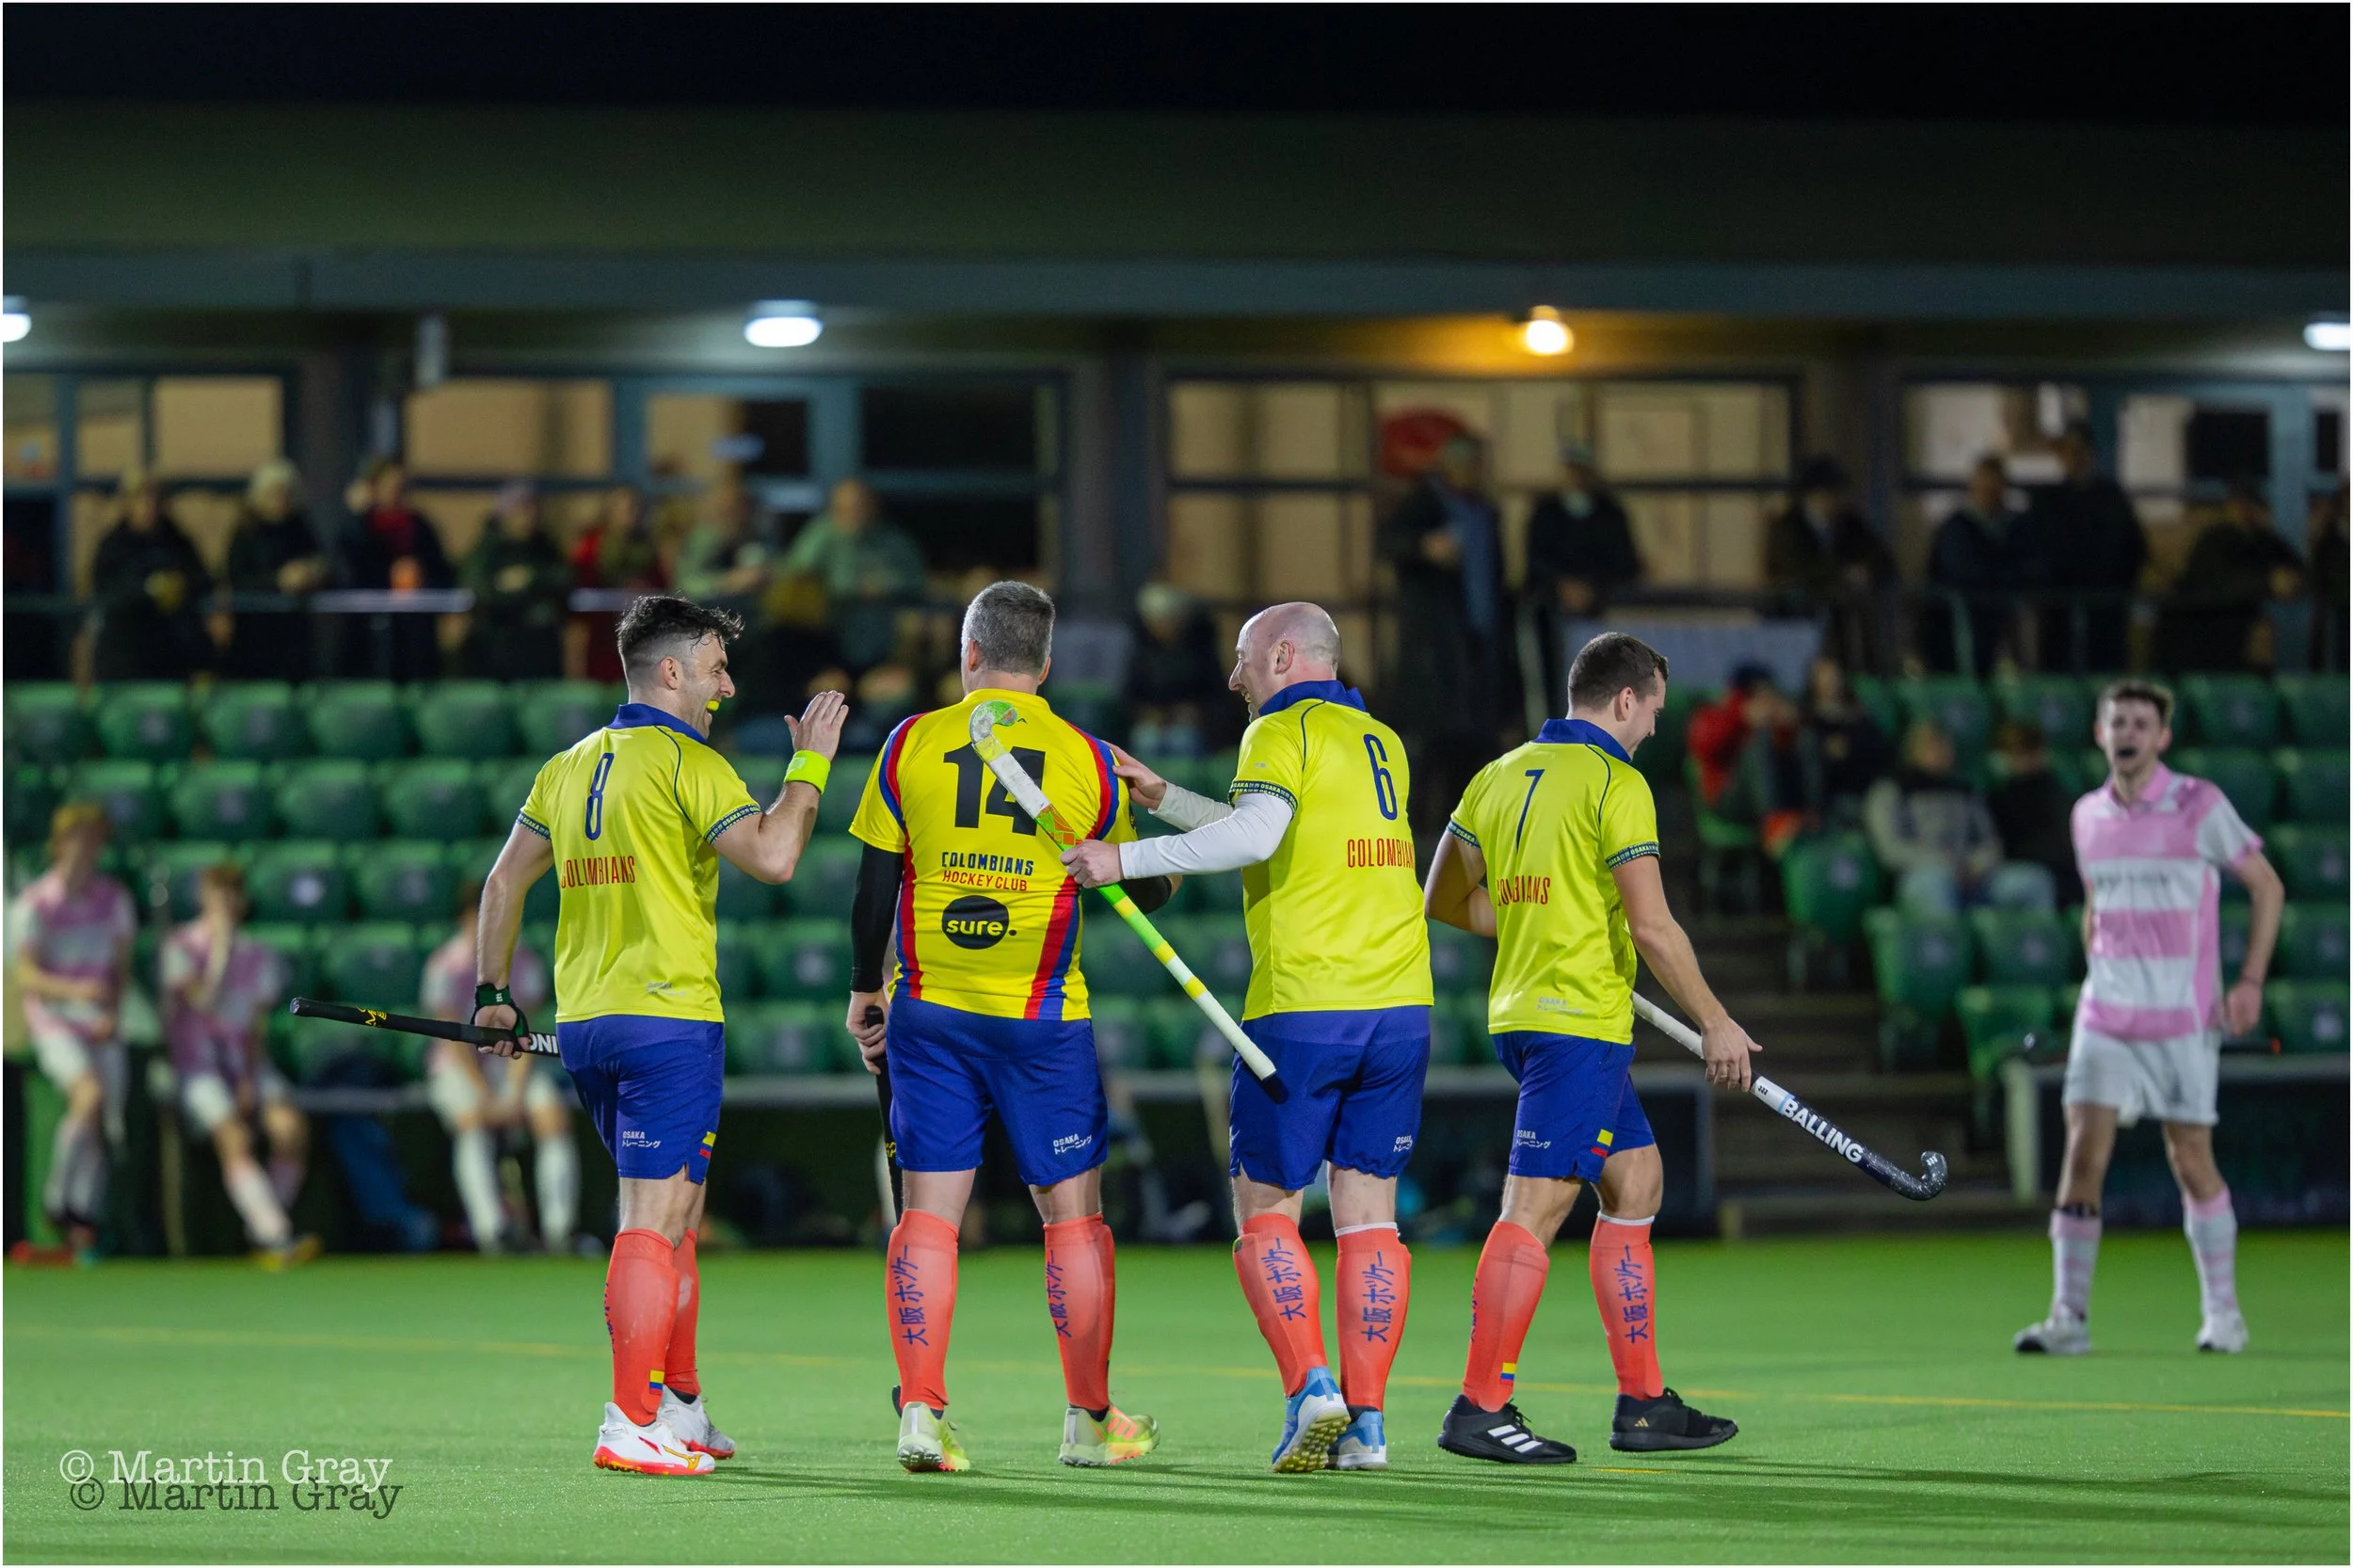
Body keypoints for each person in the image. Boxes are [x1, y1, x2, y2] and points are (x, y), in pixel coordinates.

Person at [472, 593, 848, 1477]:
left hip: (591, 1025)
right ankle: (629, 1419)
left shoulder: (566, 767)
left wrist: (493, 994)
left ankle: (678, 1404)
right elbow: (777, 857)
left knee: (679, 1217)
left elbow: (502, 885)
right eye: (715, 668)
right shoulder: (690, 761)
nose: (725, 685)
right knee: (652, 1220)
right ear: (671, 672)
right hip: (670, 1021)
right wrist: (811, 767)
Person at [1063, 601, 1433, 1474]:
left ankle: (1311, 1389)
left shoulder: (1276, 729)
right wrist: (1165, 802)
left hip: (1305, 1005)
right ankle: (1368, 1427)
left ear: (1281, 654)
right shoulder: (1378, 739)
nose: (1233, 680)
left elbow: (1258, 833)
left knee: (1266, 1210)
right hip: (1401, 1006)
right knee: (1371, 1219)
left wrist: (1125, 856)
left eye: (1241, 661)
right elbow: (1284, 834)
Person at [844, 581, 1173, 1474]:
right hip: (1042, 1021)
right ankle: (1090, 1421)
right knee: (1073, 1220)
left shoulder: (914, 739)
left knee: (930, 1216)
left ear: (970, 654)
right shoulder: (1087, 759)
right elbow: (1144, 883)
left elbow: (876, 883)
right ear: (1050, 664)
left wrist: (863, 988)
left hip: (931, 1012)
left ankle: (919, 1413)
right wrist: (1144, 831)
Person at [1422, 632, 1746, 1461]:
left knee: (1636, 1179)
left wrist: (1540, 921)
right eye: (1654, 714)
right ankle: (1478, 1406)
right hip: (1577, 1025)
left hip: (1521, 1014)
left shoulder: (1498, 773)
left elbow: (1445, 900)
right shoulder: (1615, 781)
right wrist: (1714, 1019)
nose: (1653, 731)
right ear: (1626, 700)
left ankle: (1643, 1404)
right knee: (1534, 1212)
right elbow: (1652, 926)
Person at [2013, 680, 2280, 1357]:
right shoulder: (2087, 816)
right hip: (2105, 1013)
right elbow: (2097, 901)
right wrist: (2097, 957)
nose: (2128, 731)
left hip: (2183, 1018)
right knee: (2082, 1155)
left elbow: (2267, 886)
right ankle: (2068, 1317)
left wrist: (2248, 982)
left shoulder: (2199, 805)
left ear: (2161, 737)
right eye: (2116, 720)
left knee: (2190, 1159)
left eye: (2141, 721)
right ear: (2100, 734)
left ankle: (2225, 1314)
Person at [158, 863, 315, 1267]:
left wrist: (246, 1078)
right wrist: (220, 952)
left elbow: (255, 1028)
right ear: (202, 898)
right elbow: (201, 1001)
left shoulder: (259, 955)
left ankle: (265, 1224)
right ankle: (275, 1234)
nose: (224, 903)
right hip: (197, 1069)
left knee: (291, 1130)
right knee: (235, 1137)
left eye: (232, 894)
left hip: (245, 1066)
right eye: (216, 893)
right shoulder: (180, 947)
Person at [7, 803, 135, 1264]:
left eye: (95, 839)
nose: (87, 848)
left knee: (104, 1125)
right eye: (77, 838)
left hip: (100, 1023)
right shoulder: (35, 904)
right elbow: (26, 975)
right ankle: (59, 1200)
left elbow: (120, 968)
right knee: (88, 1095)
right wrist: (74, 989)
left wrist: (112, 1013)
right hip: (55, 1022)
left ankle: (83, 1222)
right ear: (59, 844)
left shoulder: (113, 899)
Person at [423, 882, 571, 1254]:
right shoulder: (446, 965)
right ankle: (492, 1230)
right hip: (458, 1068)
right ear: (467, 919)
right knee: (471, 1120)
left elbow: (529, 1032)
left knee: (552, 1117)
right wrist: (487, 1096)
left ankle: (559, 1230)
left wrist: (515, 1094)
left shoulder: (525, 961)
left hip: (514, 1066)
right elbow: (452, 1040)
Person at [1379, 435, 1512, 845]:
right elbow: (1389, 544)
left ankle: (1465, 837)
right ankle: (1414, 840)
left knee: (1473, 743)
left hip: (1479, 643)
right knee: (1429, 746)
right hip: (1434, 649)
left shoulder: (1485, 513)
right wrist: (1423, 548)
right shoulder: (1423, 504)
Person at [1864, 721, 2054, 915]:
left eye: (1945, 745)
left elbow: (1990, 841)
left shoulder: (1964, 790)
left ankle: (2034, 944)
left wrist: (1977, 864)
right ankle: (1945, 943)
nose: (1941, 752)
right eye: (1932, 746)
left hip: (1973, 877)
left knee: (2034, 881)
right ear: (1914, 751)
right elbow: (1891, 849)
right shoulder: (1890, 791)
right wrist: (1940, 862)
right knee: (1937, 882)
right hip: (1921, 875)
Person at [1524, 440, 1641, 711]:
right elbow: (1535, 560)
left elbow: (1625, 561)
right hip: (1549, 615)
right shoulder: (1546, 512)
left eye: (1581, 469)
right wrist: (1561, 587)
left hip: (1600, 614)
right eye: (1571, 468)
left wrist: (1593, 588)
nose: (1575, 475)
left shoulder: (1610, 512)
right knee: (1551, 682)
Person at [2026, 423, 2146, 672]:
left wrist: (2116, 585)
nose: (2075, 458)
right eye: (2069, 451)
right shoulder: (2047, 501)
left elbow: (2133, 548)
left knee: (2103, 672)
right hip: (2061, 607)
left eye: (2080, 451)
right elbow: (2038, 549)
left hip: (2104, 607)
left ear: (2091, 454)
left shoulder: (2111, 497)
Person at [776, 478, 926, 673]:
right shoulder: (819, 536)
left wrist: (885, 587)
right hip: (827, 632)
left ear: (874, 508)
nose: (855, 514)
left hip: (884, 634)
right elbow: (795, 580)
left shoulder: (894, 542)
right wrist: (850, 588)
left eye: (860, 507)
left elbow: (916, 582)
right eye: (846, 508)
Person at [1764, 456, 1894, 668]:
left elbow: (1883, 558)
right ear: (1811, 496)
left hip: (1842, 627)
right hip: (1798, 623)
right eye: (1828, 494)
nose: (1834, 501)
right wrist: (1844, 575)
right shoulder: (1788, 528)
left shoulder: (1850, 525)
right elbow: (1798, 569)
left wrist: (1866, 571)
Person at [2158, 485, 2305, 673]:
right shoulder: (2214, 539)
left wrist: (2290, 581)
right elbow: (2218, 583)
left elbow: (2298, 569)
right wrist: (2268, 582)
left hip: (2231, 633)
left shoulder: (2262, 540)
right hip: (2203, 632)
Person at [337, 457, 456, 680]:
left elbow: (443, 572)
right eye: (391, 485)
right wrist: (357, 516)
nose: (397, 492)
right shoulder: (359, 525)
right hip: (369, 633)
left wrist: (420, 576)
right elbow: (350, 568)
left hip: (414, 634)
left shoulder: (420, 526)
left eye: (401, 486)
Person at [88, 470, 213, 680]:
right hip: (125, 656)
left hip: (171, 654)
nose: (149, 507)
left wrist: (179, 585)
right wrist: (148, 590)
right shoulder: (113, 545)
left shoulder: (178, 541)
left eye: (154, 499)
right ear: (127, 504)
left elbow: (203, 580)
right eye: (141, 500)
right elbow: (106, 592)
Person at [221, 458, 328, 680]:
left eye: (286, 493)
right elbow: (237, 579)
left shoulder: (299, 527)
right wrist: (278, 581)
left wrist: (311, 574)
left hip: (293, 636)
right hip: (256, 637)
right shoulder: (245, 532)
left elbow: (321, 562)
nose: (281, 500)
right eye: (274, 493)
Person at [1684, 663, 1806, 850]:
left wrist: (1788, 728)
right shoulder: (1716, 713)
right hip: (1728, 799)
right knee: (1758, 746)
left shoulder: (1774, 714)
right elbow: (1704, 746)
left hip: (1780, 797)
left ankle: (1810, 815)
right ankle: (1773, 819)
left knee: (1807, 741)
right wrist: (1741, 717)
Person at [1925, 456, 2028, 676]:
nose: (1989, 492)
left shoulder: (2015, 528)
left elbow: (2030, 566)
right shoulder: (1956, 529)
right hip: (1959, 629)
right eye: (1984, 485)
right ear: (1973, 486)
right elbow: (1964, 572)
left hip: (2001, 626)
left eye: (1995, 486)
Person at [461, 480, 573, 680]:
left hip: (540, 655)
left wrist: (529, 578)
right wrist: (518, 595)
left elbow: (564, 579)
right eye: (523, 509)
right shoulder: (488, 550)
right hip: (496, 652)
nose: (530, 516)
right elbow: (480, 589)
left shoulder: (545, 547)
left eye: (534, 508)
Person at [1123, 581, 1233, 757]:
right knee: (1145, 739)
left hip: (1193, 725)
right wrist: (1147, 713)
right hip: (1153, 723)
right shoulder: (1143, 651)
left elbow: (1216, 695)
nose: (1161, 627)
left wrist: (1194, 713)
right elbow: (1131, 694)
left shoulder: (1200, 649)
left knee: (1182, 739)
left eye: (1165, 620)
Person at [571, 486, 666, 683]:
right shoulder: (591, 548)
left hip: (637, 640)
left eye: (634, 509)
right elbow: (580, 591)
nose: (631, 515)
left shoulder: (647, 549)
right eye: (624, 509)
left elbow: (662, 590)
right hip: (601, 638)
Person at [1798, 654, 1891, 825]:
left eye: (1835, 674)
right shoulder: (1807, 719)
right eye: (1824, 675)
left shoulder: (1860, 715)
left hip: (1871, 788)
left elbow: (1879, 750)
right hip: (1835, 794)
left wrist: (1850, 744)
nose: (1831, 681)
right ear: (1813, 680)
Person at [1986, 722, 2078, 894]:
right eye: (2018, 753)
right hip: (2025, 870)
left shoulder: (2054, 790)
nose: (2027, 759)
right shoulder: (1999, 796)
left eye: (2031, 751)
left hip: (2062, 868)